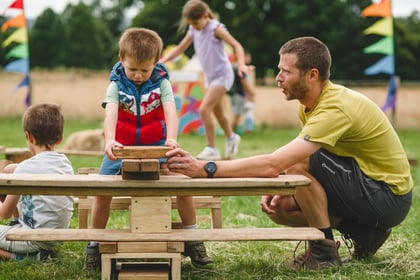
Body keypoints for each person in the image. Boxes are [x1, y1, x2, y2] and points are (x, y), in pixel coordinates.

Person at [165, 36, 413, 270]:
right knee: (282, 206)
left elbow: (279, 162)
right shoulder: (309, 106)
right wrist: (279, 183)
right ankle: (365, 233)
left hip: (388, 196)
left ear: (312, 75)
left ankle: (323, 252)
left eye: (286, 71)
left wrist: (206, 168)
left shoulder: (335, 108)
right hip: (365, 187)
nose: (277, 77)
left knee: (298, 164)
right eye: (279, 69)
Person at [84, 27, 212, 272]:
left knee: (183, 182)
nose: (139, 75)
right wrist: (110, 140)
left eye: (145, 69)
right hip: (120, 147)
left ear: (156, 62)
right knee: (101, 190)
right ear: (122, 60)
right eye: (133, 69)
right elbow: (110, 113)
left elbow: (171, 111)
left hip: (156, 146)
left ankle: (192, 238)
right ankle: (94, 243)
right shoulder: (116, 85)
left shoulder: (161, 82)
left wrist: (171, 139)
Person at [160, 0, 247, 160]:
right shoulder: (193, 30)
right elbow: (180, 49)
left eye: (196, 22)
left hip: (222, 75)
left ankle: (211, 149)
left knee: (204, 109)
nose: (194, 26)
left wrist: (241, 64)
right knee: (218, 112)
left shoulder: (215, 28)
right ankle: (231, 137)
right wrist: (162, 61)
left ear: (206, 16)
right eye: (191, 23)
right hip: (210, 76)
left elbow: (237, 45)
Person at [0, 103, 74, 261]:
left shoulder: (24, 171)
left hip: (31, 238)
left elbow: (3, 213)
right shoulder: (65, 163)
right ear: (60, 138)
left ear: (29, 136)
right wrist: (10, 169)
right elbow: (35, 166)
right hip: (56, 236)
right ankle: (27, 241)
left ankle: (26, 257)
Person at [228, 51, 256, 133]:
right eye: (247, 57)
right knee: (237, 114)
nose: (249, 58)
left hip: (233, 93)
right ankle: (232, 133)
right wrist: (251, 92)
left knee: (237, 113)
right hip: (238, 93)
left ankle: (232, 132)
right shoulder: (240, 67)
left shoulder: (234, 66)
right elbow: (243, 82)